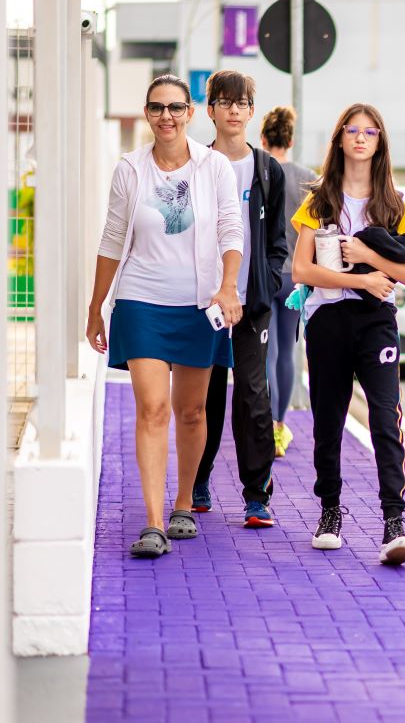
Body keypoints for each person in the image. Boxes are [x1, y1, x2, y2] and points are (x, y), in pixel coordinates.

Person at [86, 74, 243, 558]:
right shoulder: (130, 169)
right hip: (141, 301)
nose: (167, 117)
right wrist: (96, 306)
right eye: (157, 108)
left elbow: (230, 229)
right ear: (148, 113)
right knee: (152, 409)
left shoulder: (214, 166)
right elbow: (113, 240)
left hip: (199, 305)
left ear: (191, 113)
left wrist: (227, 287)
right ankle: (153, 522)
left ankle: (181, 505)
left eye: (176, 108)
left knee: (192, 410)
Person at [290, 103, 405, 566]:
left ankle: (395, 523)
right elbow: (301, 270)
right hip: (328, 321)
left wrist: (370, 255)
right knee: (327, 422)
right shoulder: (318, 201)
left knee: (386, 418)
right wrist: (360, 279)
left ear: (380, 142)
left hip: (376, 323)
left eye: (371, 132)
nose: (362, 138)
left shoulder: (393, 204)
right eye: (354, 130)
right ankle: (330, 512)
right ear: (341, 139)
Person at [190, 70, 289, 528]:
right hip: (204, 305)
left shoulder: (268, 170)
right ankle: (198, 480)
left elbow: (277, 243)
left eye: (242, 102)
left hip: (252, 306)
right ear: (209, 110)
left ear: (252, 111)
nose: (233, 109)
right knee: (204, 398)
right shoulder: (195, 165)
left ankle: (256, 495)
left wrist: (264, 284)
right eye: (224, 102)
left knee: (254, 396)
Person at [261, 105, 317, 456]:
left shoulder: (258, 172)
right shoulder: (308, 178)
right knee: (289, 352)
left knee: (268, 351)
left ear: (263, 138)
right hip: (296, 277)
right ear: (291, 139)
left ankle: (266, 426)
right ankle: (281, 428)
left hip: (266, 274)